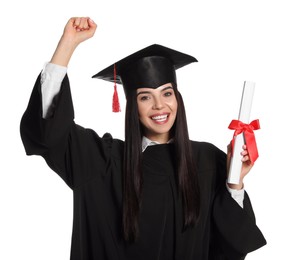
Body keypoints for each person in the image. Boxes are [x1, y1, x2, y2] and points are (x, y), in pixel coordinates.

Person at [20, 17, 266, 260]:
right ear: (132, 107)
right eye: (145, 97)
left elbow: (230, 244)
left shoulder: (207, 161)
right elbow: (50, 133)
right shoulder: (104, 161)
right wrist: (68, 44)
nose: (160, 105)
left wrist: (235, 182)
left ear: (177, 98)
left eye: (167, 93)